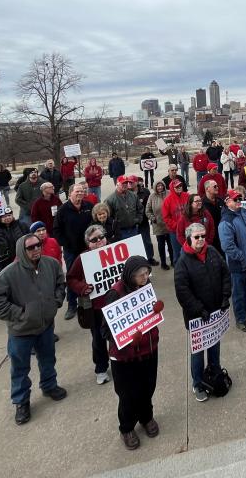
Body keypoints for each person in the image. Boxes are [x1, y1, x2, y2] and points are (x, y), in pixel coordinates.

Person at [0, 234, 67, 425]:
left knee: (48, 359)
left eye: (37, 245)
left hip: (46, 326)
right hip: (21, 333)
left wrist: (56, 301)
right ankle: (21, 401)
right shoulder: (7, 275)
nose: (36, 249)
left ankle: (49, 385)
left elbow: (60, 282)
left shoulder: (51, 264)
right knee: (20, 368)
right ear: (22, 250)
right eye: (30, 247)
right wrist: (20, 313)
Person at [100, 256, 162, 450]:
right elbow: (105, 330)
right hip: (125, 357)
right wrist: (126, 339)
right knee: (128, 394)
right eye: (141, 275)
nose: (145, 278)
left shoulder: (146, 286)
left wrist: (156, 310)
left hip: (149, 349)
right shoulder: (114, 294)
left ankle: (146, 417)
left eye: (147, 273)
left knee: (148, 386)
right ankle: (126, 428)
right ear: (130, 275)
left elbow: (148, 315)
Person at [174, 223, 231, 402]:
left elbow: (225, 274)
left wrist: (225, 296)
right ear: (189, 238)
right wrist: (198, 309)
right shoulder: (182, 262)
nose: (200, 240)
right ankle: (198, 383)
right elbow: (182, 292)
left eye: (203, 236)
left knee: (215, 344)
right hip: (197, 317)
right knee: (198, 352)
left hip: (215, 313)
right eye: (197, 237)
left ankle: (214, 370)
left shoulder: (213, 252)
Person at [66, 225, 114, 386]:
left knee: (118, 338)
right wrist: (82, 288)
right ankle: (101, 368)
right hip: (95, 308)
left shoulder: (116, 251)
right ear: (88, 243)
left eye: (101, 237)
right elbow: (71, 278)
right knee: (99, 340)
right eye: (94, 239)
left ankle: (119, 362)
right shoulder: (83, 258)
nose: (99, 241)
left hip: (116, 303)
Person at [218, 190, 246, 331]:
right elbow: (227, 246)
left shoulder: (245, 212)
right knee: (238, 294)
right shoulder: (226, 221)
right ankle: (241, 319)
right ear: (227, 201)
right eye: (235, 200)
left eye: (239, 199)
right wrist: (241, 256)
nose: (238, 201)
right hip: (239, 264)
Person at [56, 185, 94, 321]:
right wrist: (66, 244)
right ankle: (72, 305)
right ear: (70, 193)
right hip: (71, 251)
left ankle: (90, 302)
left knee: (89, 275)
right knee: (73, 278)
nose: (80, 193)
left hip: (88, 249)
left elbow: (95, 223)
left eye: (82, 191)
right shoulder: (62, 210)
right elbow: (57, 230)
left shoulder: (89, 205)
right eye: (77, 191)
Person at [0, 208, 26, 285]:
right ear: (0, 218)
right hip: (3, 263)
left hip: (20, 260)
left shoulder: (21, 225)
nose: (7, 218)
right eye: (4, 216)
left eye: (9, 215)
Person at [107, 176, 144, 241]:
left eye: (126, 183)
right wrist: (115, 227)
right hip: (120, 232)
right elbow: (108, 217)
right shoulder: (110, 199)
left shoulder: (133, 195)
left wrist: (138, 220)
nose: (125, 185)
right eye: (123, 183)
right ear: (117, 184)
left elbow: (140, 208)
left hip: (134, 229)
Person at [145, 181, 172, 269]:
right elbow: (147, 210)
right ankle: (163, 263)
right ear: (155, 187)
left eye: (161, 185)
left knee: (170, 244)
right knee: (161, 245)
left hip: (169, 224)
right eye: (158, 186)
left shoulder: (169, 193)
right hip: (158, 225)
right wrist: (153, 218)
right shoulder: (151, 196)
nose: (160, 187)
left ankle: (173, 261)